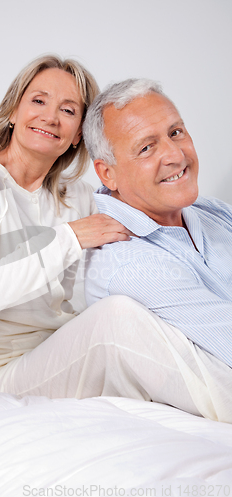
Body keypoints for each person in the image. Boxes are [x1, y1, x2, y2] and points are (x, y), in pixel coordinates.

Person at [0, 55, 131, 396]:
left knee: (133, 321)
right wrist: (67, 239)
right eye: (39, 101)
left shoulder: (78, 196)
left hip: (56, 355)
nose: (50, 117)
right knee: (115, 318)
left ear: (77, 136)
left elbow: (133, 234)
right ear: (14, 112)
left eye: (68, 110)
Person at [83, 78, 232, 423]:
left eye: (176, 132)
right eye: (146, 148)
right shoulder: (122, 258)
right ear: (108, 174)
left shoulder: (211, 212)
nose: (176, 155)